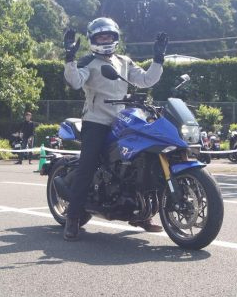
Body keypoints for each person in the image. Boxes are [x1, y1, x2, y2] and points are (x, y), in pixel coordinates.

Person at [62, 17, 168, 241]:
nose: (105, 39)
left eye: (109, 36)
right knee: (87, 165)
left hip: (123, 120)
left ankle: (142, 214)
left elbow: (146, 80)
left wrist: (158, 59)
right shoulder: (88, 61)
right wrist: (70, 58)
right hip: (96, 121)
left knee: (142, 160)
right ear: (93, 39)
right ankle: (73, 217)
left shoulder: (124, 61)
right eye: (101, 36)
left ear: (116, 38)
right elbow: (75, 82)